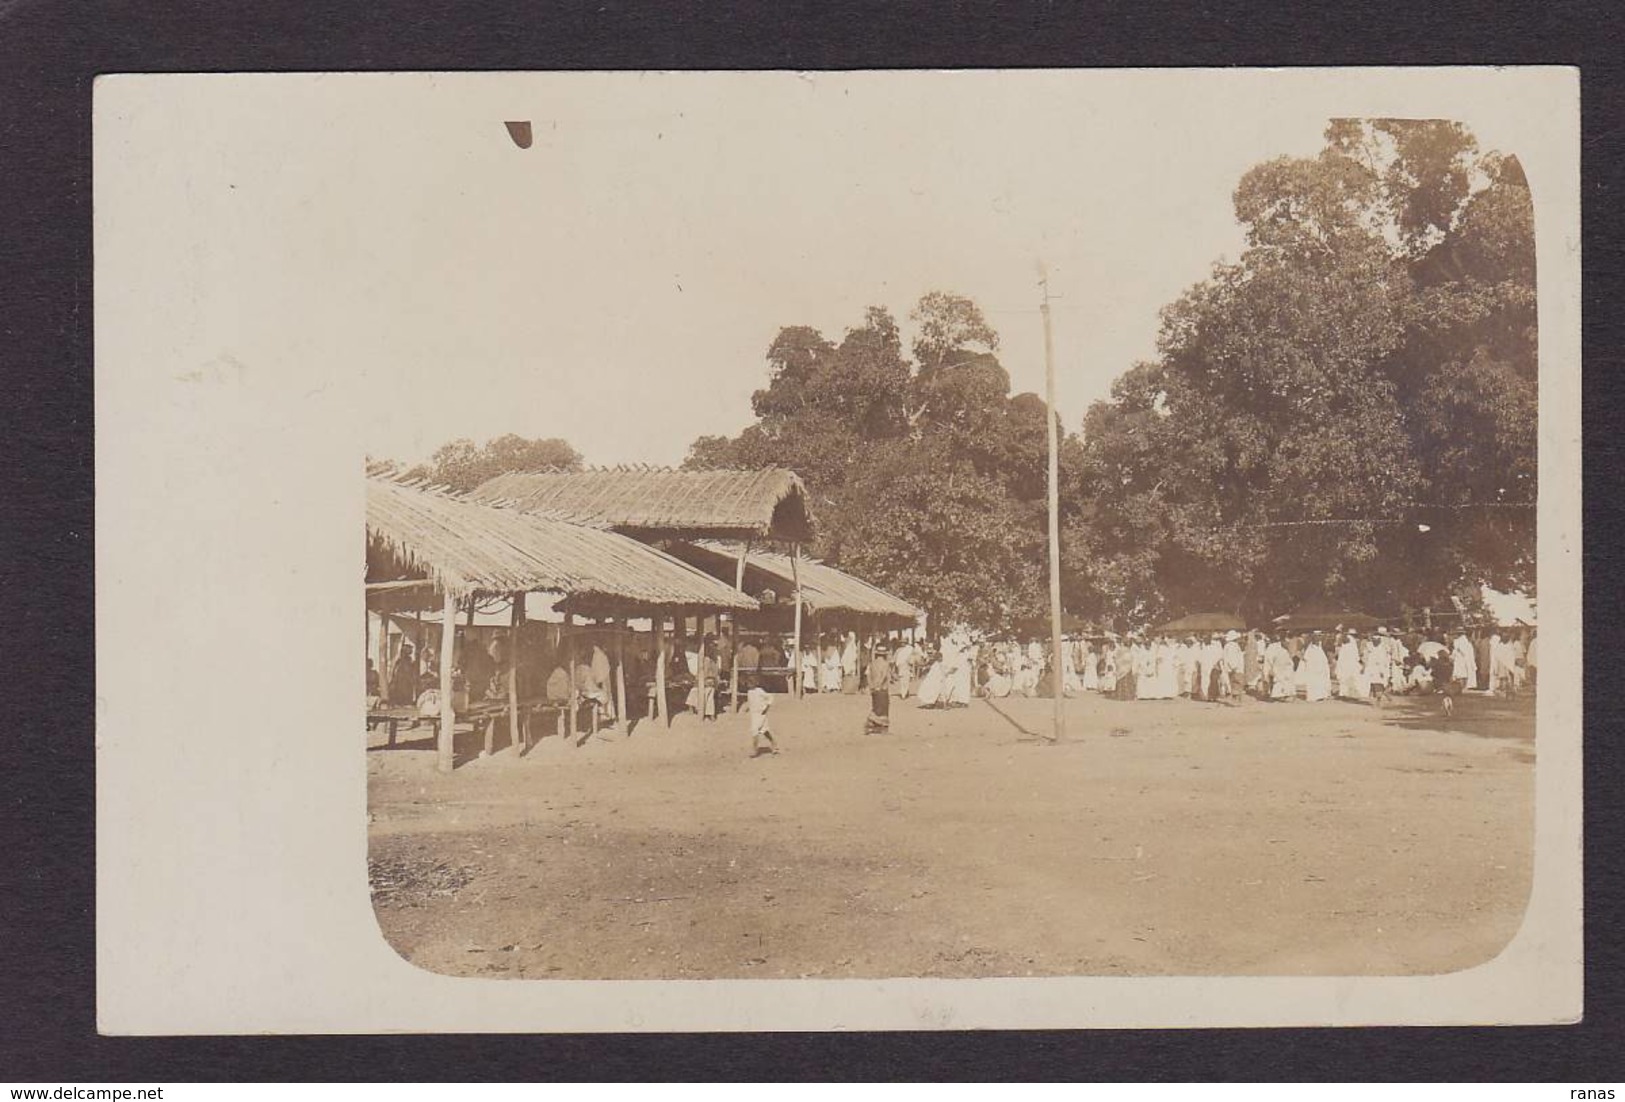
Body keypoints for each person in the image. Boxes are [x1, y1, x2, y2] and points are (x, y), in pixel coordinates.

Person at [866, 645, 894, 733]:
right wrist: (879, 685)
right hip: (882, 688)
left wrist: (871, 686)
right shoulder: (885, 664)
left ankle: (874, 725)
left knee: (875, 705)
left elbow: (867, 675)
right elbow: (884, 676)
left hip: (873, 688)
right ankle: (881, 726)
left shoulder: (872, 663)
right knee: (883, 707)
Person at [747, 684, 779, 757]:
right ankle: (774, 743)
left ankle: (755, 750)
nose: (749, 685)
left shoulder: (759, 691)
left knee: (754, 730)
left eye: (750, 683)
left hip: (761, 713)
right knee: (764, 730)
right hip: (754, 714)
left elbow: (770, 697)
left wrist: (767, 708)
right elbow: (752, 702)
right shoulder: (749, 692)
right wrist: (748, 708)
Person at [1301, 633, 1332, 702]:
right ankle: (1313, 697)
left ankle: (1321, 695)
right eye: (1316, 637)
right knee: (1313, 682)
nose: (1318, 639)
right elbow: (1305, 658)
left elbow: (1324, 658)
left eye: (1319, 637)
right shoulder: (1310, 648)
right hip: (1313, 669)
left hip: (1321, 669)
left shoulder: (1320, 647)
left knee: (1321, 682)